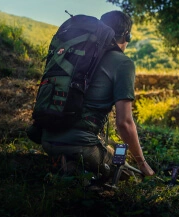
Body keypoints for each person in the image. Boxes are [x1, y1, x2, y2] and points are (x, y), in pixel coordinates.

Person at [41, 10, 155, 181]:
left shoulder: (79, 56)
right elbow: (124, 123)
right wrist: (142, 163)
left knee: (111, 149)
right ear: (127, 36)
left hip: (47, 139)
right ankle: (76, 174)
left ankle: (67, 165)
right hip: (79, 144)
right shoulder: (123, 63)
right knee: (128, 175)